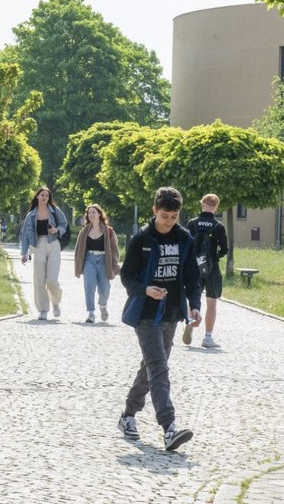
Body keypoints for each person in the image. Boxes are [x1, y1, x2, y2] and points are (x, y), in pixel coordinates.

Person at [116, 186, 201, 452]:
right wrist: (146, 290)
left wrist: (195, 306)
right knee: (159, 368)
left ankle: (128, 415)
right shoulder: (141, 238)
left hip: (172, 313)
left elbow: (191, 277)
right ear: (155, 210)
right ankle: (169, 428)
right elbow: (126, 277)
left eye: (174, 216)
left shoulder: (184, 238)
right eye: (165, 216)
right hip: (145, 313)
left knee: (152, 367)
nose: (169, 221)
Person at [185, 193, 229, 349]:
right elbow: (224, 249)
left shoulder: (191, 223)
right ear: (216, 207)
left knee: (193, 298)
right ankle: (208, 337)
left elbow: (186, 245)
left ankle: (191, 322)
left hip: (194, 267)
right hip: (211, 269)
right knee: (212, 302)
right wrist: (214, 256)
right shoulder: (219, 227)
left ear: (202, 204)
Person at [19, 186, 68, 319]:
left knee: (52, 279)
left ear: (49, 198)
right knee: (39, 279)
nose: (44, 197)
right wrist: (24, 253)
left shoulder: (55, 211)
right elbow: (24, 236)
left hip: (53, 244)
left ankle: (55, 302)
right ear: (37, 197)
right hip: (38, 245)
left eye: (47, 195)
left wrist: (56, 230)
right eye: (42, 195)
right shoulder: (30, 215)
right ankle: (43, 310)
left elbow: (64, 224)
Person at [73, 203, 120, 323]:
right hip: (89, 259)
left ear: (99, 214)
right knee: (89, 286)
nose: (91, 214)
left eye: (94, 212)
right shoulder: (84, 231)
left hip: (104, 261)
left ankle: (103, 306)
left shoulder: (108, 231)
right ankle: (91, 314)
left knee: (105, 288)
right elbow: (78, 249)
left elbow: (114, 250)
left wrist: (115, 265)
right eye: (89, 212)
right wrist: (77, 267)